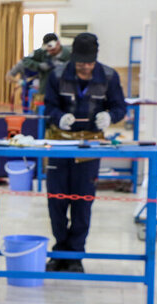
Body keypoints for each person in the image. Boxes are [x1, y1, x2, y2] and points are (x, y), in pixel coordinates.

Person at [43, 33, 127, 272]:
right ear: (73, 59)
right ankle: (59, 251)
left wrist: (110, 116)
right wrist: (60, 117)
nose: (85, 68)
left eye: (89, 64)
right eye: (80, 64)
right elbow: (49, 106)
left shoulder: (109, 77)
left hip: (90, 146)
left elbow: (120, 107)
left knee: (83, 201)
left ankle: (75, 255)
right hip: (60, 144)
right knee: (56, 201)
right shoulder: (57, 76)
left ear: (95, 59)